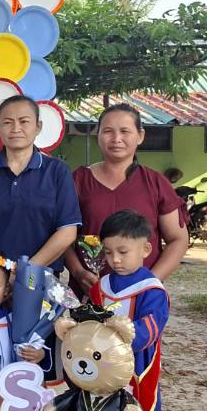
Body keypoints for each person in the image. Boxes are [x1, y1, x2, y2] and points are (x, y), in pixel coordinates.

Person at [75, 209, 171, 411]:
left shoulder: (151, 289)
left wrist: (123, 332)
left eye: (123, 252)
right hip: (101, 368)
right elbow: (90, 319)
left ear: (146, 249)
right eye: (108, 253)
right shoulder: (102, 285)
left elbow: (150, 329)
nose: (115, 259)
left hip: (137, 369)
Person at [64, 104, 189, 294]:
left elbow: (178, 239)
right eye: (108, 131)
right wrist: (78, 272)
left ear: (140, 135)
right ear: (98, 135)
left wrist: (148, 282)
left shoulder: (155, 183)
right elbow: (62, 237)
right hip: (89, 294)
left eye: (125, 131)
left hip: (141, 298)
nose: (116, 139)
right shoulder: (78, 181)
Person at [0, 95, 81, 269]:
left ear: (38, 127)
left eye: (24, 121)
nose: (16, 129)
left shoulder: (57, 171)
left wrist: (25, 271)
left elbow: (67, 231)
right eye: (7, 122)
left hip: (41, 276)